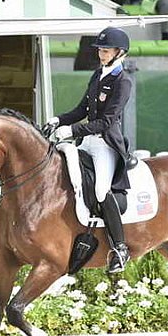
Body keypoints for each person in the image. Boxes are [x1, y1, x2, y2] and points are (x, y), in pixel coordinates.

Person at [46, 27, 132, 274]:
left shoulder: (122, 81)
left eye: (106, 51)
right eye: (101, 50)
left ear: (119, 52)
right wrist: (58, 120)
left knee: (101, 190)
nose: (101, 54)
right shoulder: (97, 75)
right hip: (86, 141)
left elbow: (107, 121)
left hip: (105, 144)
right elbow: (82, 109)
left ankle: (120, 248)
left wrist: (72, 131)